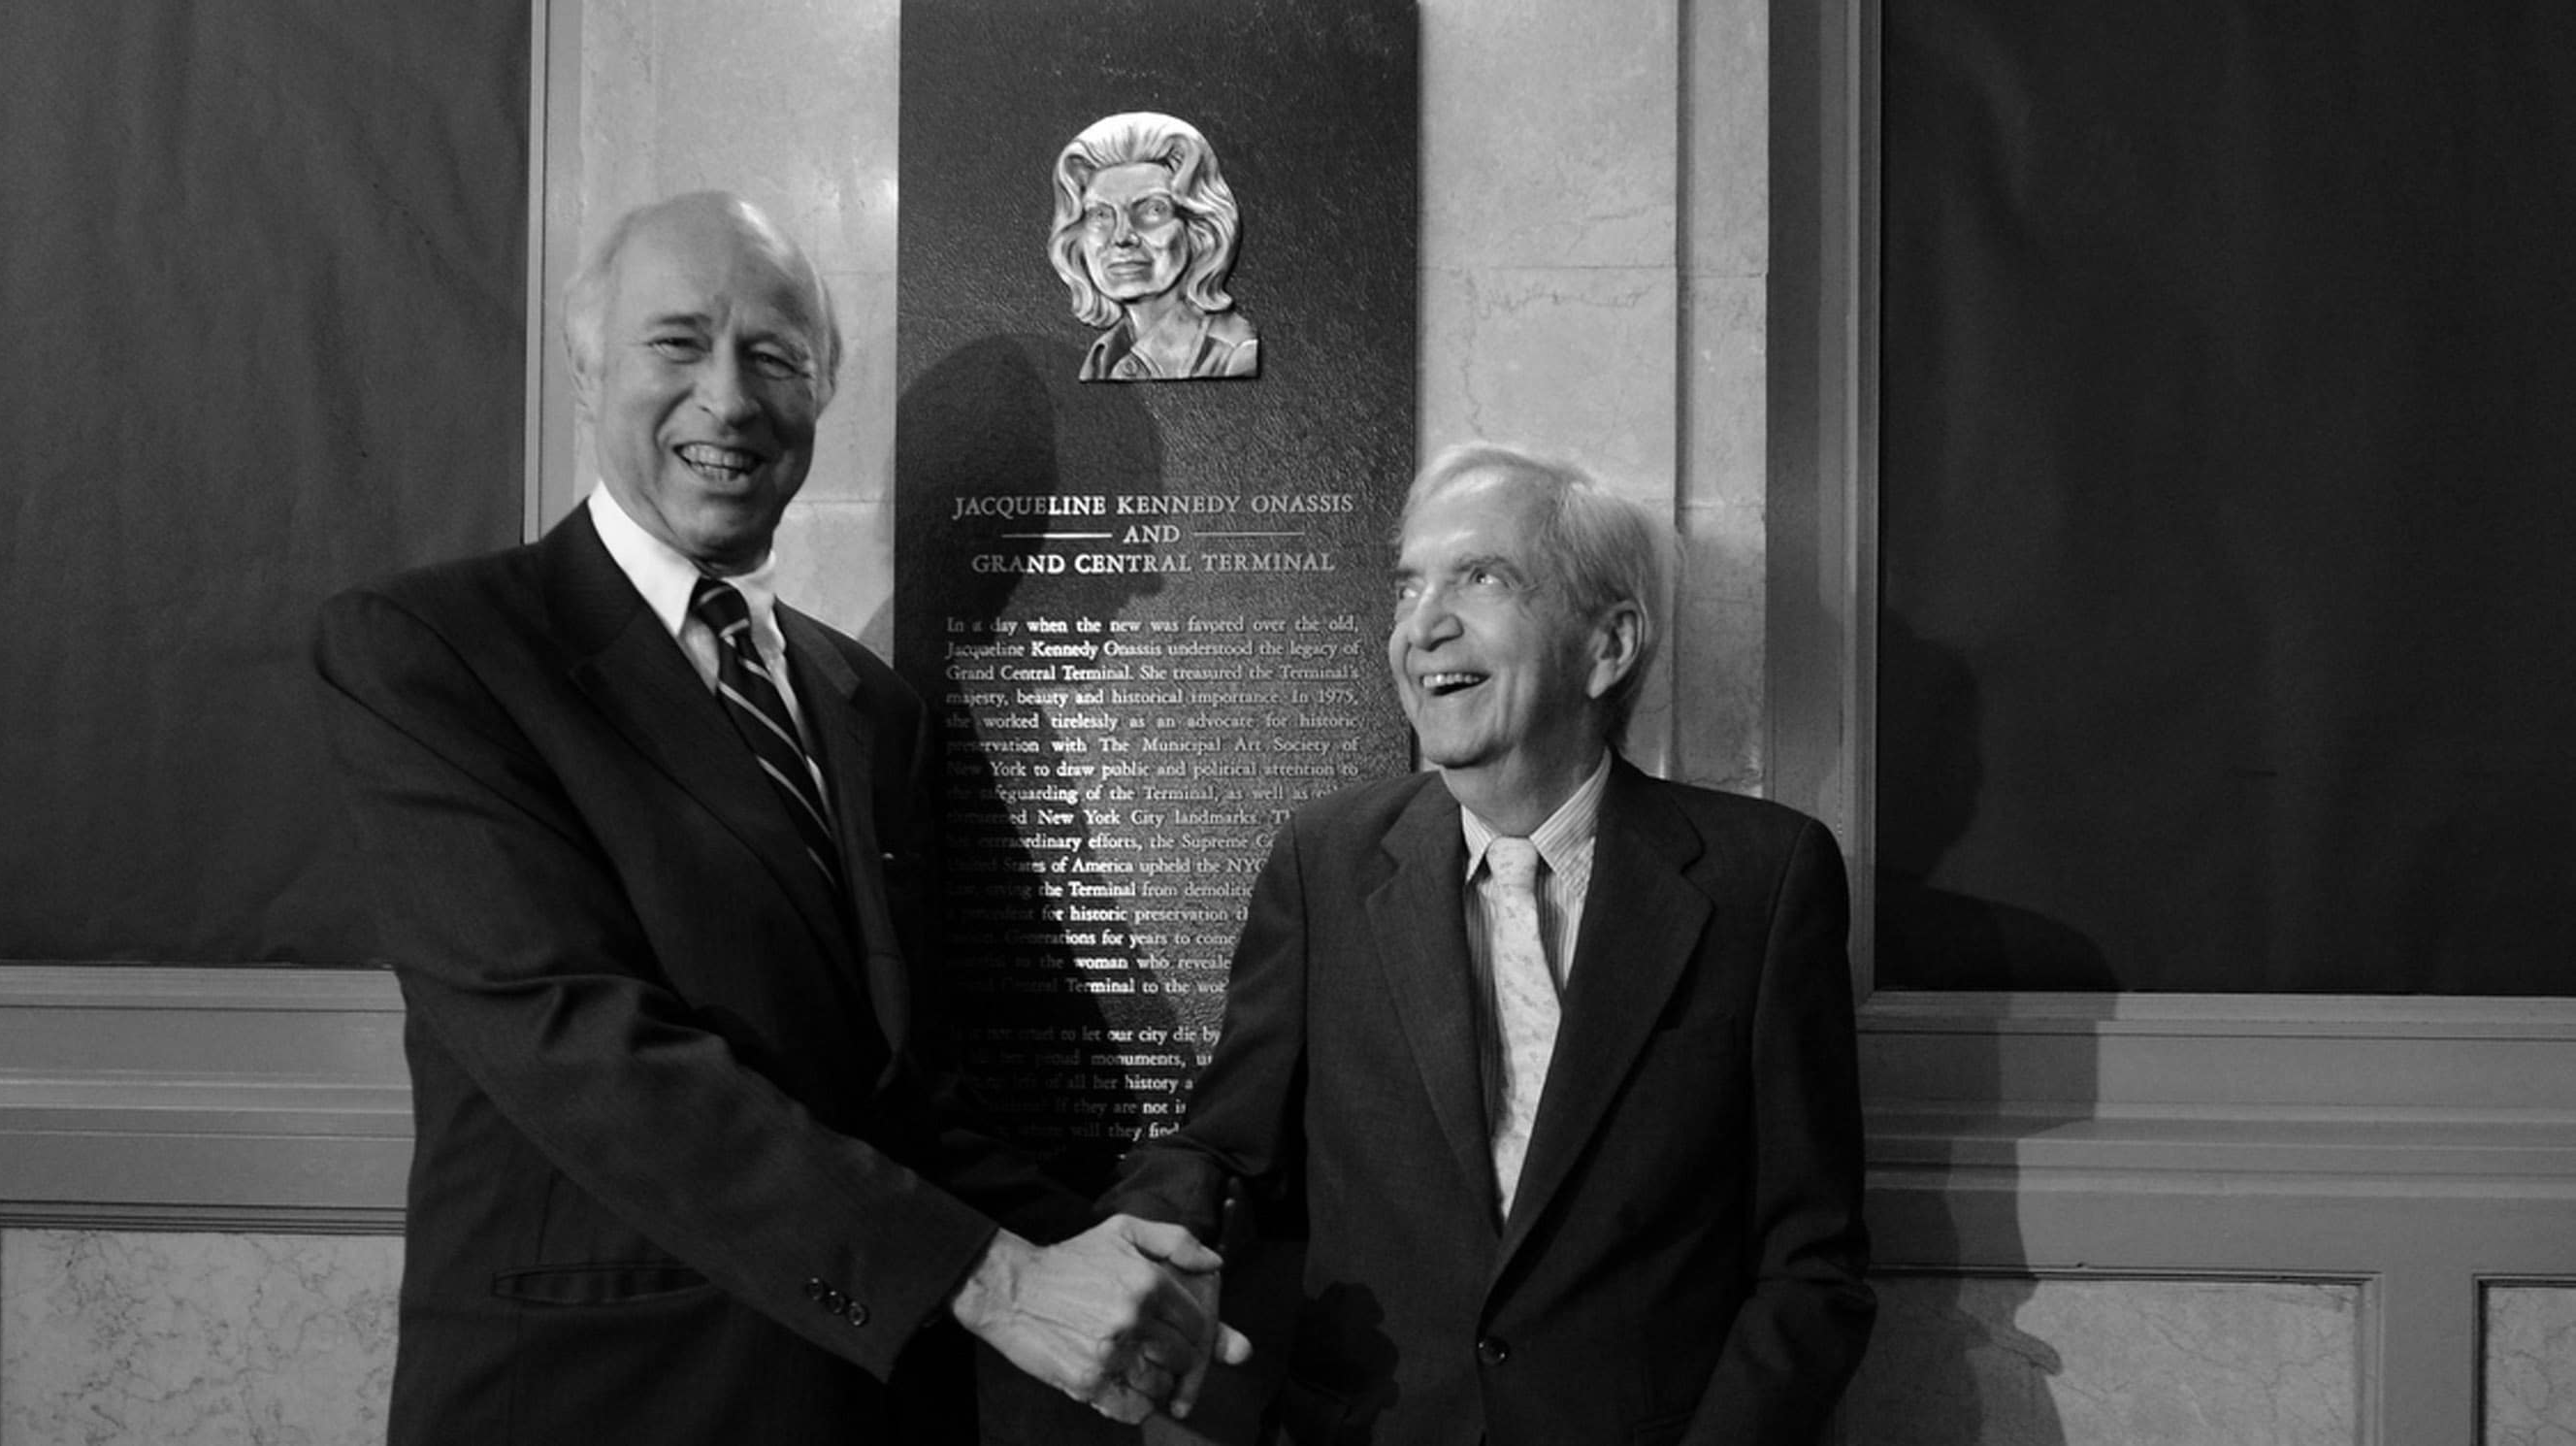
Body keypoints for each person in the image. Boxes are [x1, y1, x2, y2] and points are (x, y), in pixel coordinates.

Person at [314, 191, 1245, 1446]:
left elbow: (893, 1097)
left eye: (775, 357)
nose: (730, 398)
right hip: (593, 1403)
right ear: (588, 366)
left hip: (859, 1401)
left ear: (820, 395)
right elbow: (579, 1041)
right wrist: (1007, 1278)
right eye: (678, 342)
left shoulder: (869, 705)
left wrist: (1116, 1249)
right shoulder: (436, 652)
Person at [1108, 444, 1874, 1444]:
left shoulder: (1761, 881)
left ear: (1607, 644)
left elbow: (1810, 1259)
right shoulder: (1325, 862)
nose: (1422, 625)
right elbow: (1226, 1143)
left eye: (1481, 578)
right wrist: (1140, 1238)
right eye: (1409, 586)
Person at [1048, 112, 1260, 381]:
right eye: (1100, 214)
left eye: (1152, 210)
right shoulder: (1101, 358)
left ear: (1200, 229)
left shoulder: (1233, 356)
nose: (1122, 237)